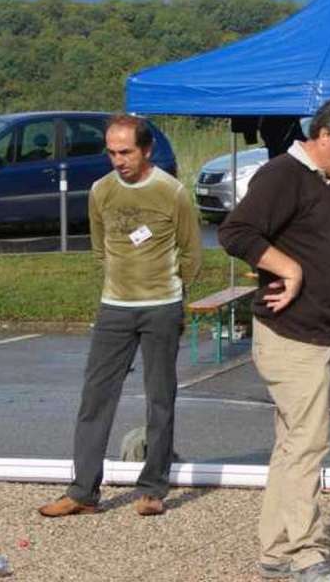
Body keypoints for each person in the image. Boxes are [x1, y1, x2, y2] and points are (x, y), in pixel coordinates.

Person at [218, 97, 330, 582]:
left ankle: (275, 551)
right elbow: (236, 232)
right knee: (308, 445)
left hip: (310, 331)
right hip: (291, 335)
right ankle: (306, 555)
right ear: (323, 135)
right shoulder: (284, 174)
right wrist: (287, 267)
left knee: (293, 446)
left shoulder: (320, 180)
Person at [38, 114, 202, 516]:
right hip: (114, 307)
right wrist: (118, 282)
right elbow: (100, 247)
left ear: (146, 150)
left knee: (160, 397)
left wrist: (173, 295)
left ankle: (153, 489)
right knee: (95, 398)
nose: (118, 160)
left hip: (161, 306)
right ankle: (82, 492)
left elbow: (192, 253)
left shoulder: (172, 192)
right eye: (111, 152)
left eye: (126, 152)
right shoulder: (101, 191)